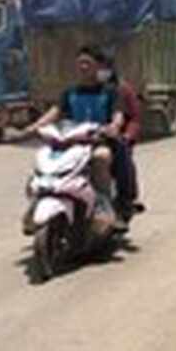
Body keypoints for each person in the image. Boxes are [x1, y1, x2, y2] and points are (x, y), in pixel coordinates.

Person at [24, 45, 126, 227]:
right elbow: (55, 112)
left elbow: (118, 114)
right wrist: (36, 126)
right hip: (70, 143)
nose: (83, 67)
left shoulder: (110, 91)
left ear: (98, 66)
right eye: (80, 63)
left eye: (88, 63)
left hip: (97, 142)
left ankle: (104, 205)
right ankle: (37, 201)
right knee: (43, 160)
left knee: (101, 158)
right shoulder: (70, 93)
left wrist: (114, 126)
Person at [103, 55, 143, 222]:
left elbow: (134, 117)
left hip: (115, 138)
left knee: (122, 157)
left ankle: (124, 202)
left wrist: (126, 135)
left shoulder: (122, 90)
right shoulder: (84, 90)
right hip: (88, 138)